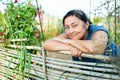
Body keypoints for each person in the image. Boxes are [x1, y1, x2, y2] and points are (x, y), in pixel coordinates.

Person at [43, 9, 120, 63]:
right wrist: (71, 48)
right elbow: (47, 44)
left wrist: (68, 41)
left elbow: (97, 48)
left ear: (86, 24)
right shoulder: (69, 34)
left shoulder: (99, 31)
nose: (71, 31)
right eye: (67, 27)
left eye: (75, 25)